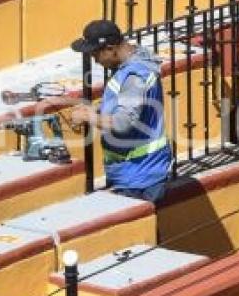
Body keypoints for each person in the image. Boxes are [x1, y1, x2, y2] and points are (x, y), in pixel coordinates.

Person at [69, 20, 173, 204]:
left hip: (139, 180)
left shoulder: (134, 77)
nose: (96, 61)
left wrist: (88, 116)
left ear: (110, 48)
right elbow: (126, 103)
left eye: (96, 54)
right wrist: (97, 109)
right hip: (140, 173)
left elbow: (123, 123)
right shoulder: (135, 66)